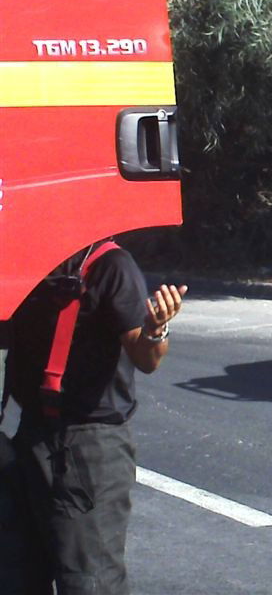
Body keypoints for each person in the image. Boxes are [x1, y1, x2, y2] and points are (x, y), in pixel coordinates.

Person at [0, 241, 186, 595]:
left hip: (89, 448)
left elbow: (146, 357)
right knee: (18, 574)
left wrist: (155, 330)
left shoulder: (111, 265)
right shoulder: (24, 265)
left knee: (89, 580)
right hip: (29, 436)